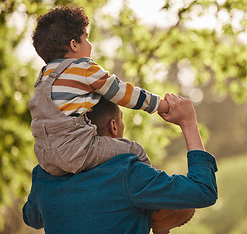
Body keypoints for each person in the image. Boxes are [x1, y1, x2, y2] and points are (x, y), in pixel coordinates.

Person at [23, 93, 218, 234]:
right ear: (113, 126)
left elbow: (31, 218)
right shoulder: (128, 173)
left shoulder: (45, 177)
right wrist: (188, 122)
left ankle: (153, 210)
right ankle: (155, 210)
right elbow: (203, 190)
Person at [28, 5, 169, 176]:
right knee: (135, 151)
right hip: (77, 151)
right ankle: (149, 194)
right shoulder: (82, 67)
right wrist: (160, 105)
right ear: (74, 44)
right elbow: (120, 92)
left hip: (46, 159)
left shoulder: (43, 77)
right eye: (86, 38)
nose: (90, 44)